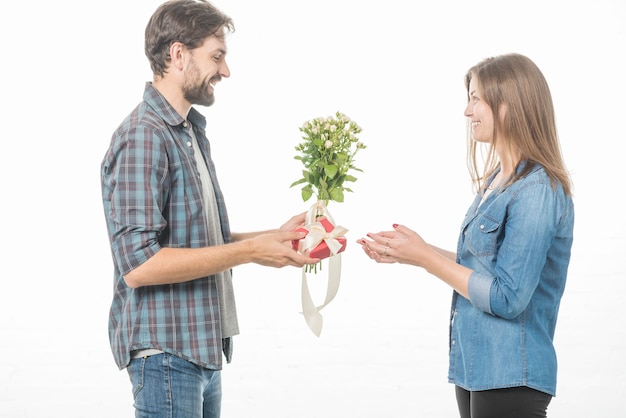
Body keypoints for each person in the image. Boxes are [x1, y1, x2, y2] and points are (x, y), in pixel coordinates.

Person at [100, 1, 319, 416]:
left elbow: (196, 241)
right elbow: (140, 265)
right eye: (216, 56)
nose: (226, 70)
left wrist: (269, 238)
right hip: (166, 355)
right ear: (178, 55)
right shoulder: (144, 137)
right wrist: (250, 253)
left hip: (198, 350)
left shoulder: (188, 133)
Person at [357, 53, 574, 418]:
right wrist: (413, 251)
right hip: (476, 367)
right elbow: (481, 268)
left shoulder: (537, 189)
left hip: (511, 374)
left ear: (509, 105)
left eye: (476, 98)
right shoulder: (498, 182)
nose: (467, 111)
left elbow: (507, 297)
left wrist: (425, 259)